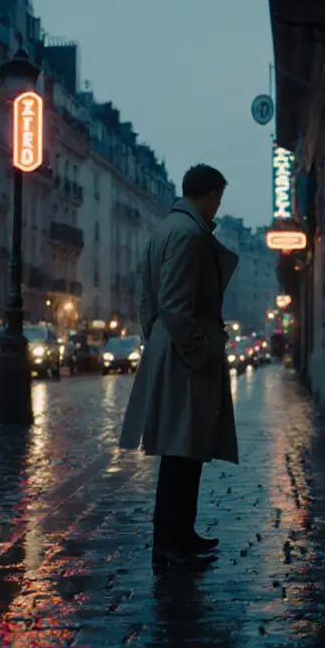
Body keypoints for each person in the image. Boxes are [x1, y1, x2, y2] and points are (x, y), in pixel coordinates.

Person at [119, 164, 240, 566]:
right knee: (183, 450)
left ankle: (179, 535)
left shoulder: (165, 229)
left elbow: (146, 296)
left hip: (170, 348)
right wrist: (196, 349)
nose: (219, 205)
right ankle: (172, 544)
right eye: (218, 197)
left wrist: (154, 336)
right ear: (208, 194)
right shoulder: (189, 234)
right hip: (185, 357)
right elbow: (174, 303)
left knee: (183, 449)